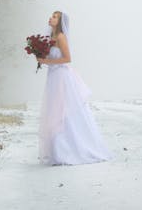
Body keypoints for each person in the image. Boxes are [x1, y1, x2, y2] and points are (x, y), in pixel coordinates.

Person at [36, 11, 113, 166]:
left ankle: (66, 150)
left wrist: (45, 61)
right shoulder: (50, 38)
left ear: (60, 21)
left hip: (61, 78)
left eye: (55, 17)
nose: (51, 18)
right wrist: (40, 55)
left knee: (63, 111)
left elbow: (67, 59)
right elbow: (50, 57)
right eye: (52, 15)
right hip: (53, 77)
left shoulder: (60, 37)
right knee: (54, 111)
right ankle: (56, 150)